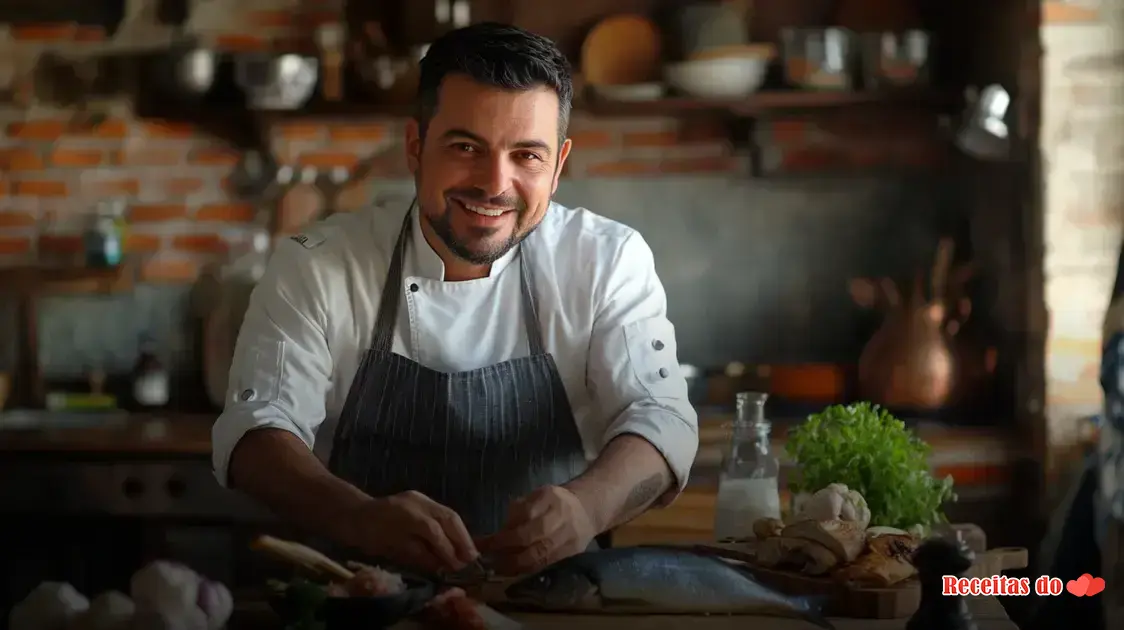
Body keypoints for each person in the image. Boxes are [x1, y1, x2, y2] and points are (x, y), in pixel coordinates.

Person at [211, 22, 698, 578]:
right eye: (467, 147)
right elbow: (254, 431)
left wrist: (587, 509)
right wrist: (360, 517)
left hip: (548, 603)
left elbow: (662, 419)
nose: (495, 184)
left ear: (558, 166)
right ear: (416, 147)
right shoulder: (318, 265)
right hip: (363, 602)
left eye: (527, 156)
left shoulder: (607, 262)